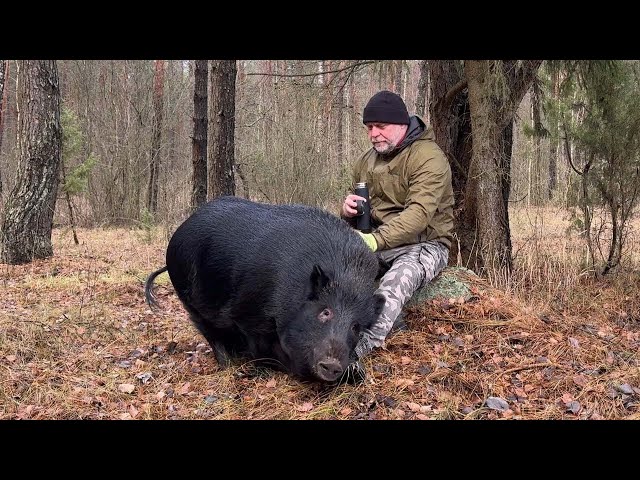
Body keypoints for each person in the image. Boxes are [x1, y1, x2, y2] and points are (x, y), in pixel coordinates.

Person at [341, 90, 454, 379]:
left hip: (425, 244)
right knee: (334, 274)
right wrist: (348, 211)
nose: (373, 134)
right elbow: (362, 212)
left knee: (393, 285)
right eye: (369, 128)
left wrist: (374, 241)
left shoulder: (429, 158)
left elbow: (419, 215)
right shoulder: (366, 161)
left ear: (401, 124)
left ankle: (353, 354)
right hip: (379, 241)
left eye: (380, 126)